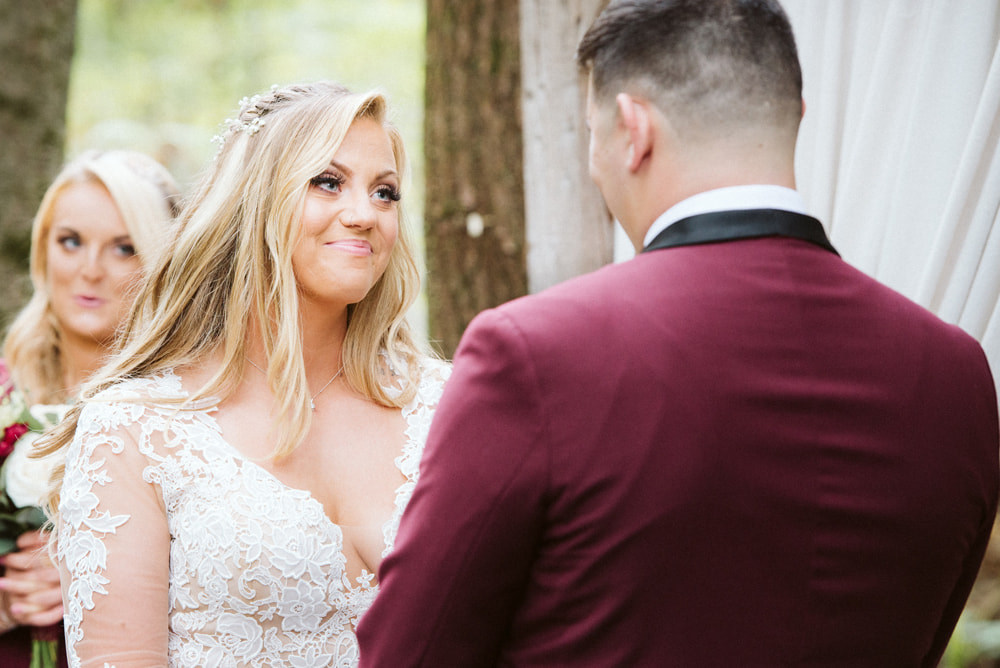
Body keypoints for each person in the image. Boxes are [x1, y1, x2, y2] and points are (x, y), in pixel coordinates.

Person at [357, 1, 1000, 666]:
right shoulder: (957, 375)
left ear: (632, 130)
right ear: (797, 118)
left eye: (590, 133)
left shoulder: (535, 353)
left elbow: (411, 653)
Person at [37, 81, 448, 667]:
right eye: (327, 182)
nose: (364, 215)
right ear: (253, 201)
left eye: (385, 193)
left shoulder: (448, 406)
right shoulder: (134, 429)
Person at [0, 149, 179, 668]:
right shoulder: (5, 392)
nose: (89, 271)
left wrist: (95, 568)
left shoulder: (189, 405)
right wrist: (8, 601)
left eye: (124, 248)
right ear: (43, 250)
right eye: (70, 242)